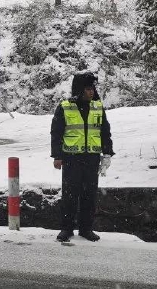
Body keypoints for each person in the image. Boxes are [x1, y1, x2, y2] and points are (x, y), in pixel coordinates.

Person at [51, 72, 113, 242]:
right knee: (70, 195)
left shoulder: (98, 107)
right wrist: (57, 155)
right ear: (79, 89)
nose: (91, 91)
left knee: (89, 196)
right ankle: (67, 229)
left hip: (92, 158)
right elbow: (56, 133)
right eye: (87, 88)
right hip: (71, 158)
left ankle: (86, 229)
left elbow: (105, 132)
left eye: (93, 88)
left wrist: (107, 153)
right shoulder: (65, 107)